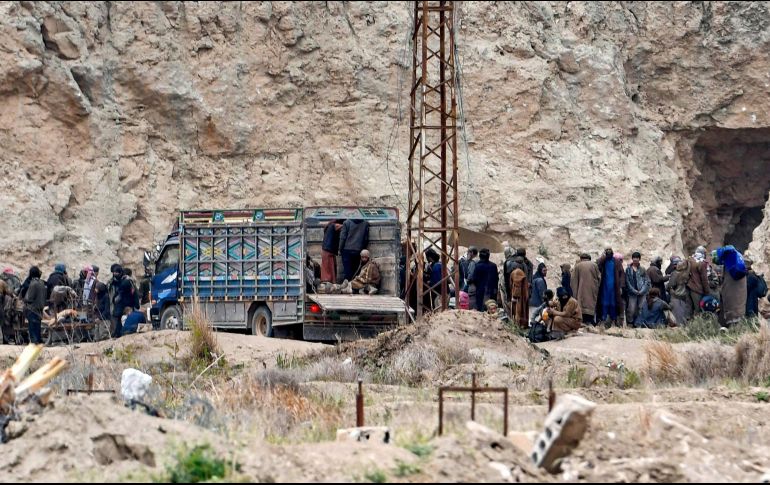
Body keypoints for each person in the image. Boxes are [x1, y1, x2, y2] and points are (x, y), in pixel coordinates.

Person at [714, 245, 747, 327]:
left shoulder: (730, 267)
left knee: (731, 309)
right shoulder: (738, 264)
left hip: (731, 307)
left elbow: (726, 289)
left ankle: (728, 329)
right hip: (740, 306)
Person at [597, 247, 623, 326]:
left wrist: (621, 286)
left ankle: (613, 321)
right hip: (604, 287)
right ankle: (603, 320)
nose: (608, 254)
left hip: (615, 288)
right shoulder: (603, 262)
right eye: (607, 253)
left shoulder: (617, 262)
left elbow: (621, 274)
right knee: (604, 303)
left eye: (609, 252)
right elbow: (598, 264)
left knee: (613, 303)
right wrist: (603, 256)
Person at [571, 253, 600, 325]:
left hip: (580, 291)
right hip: (592, 290)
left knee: (581, 306)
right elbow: (599, 278)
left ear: (581, 258)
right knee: (591, 305)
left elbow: (573, 281)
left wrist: (574, 293)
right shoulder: (594, 265)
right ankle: (590, 322)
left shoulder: (578, 266)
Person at [685, 246, 711, 317]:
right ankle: (697, 325)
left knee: (689, 308)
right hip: (697, 289)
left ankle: (687, 325)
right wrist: (707, 292)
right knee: (698, 310)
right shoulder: (702, 263)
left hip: (689, 287)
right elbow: (704, 279)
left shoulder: (690, 259)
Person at [625, 251, 650, 325]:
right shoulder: (628, 269)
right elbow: (627, 282)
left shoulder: (642, 269)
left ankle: (639, 323)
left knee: (641, 308)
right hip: (632, 293)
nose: (635, 260)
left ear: (639, 259)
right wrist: (634, 290)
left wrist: (642, 290)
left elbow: (646, 281)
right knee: (631, 309)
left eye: (637, 258)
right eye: (634, 258)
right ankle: (630, 322)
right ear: (632, 259)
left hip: (642, 293)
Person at [110, 265, 135, 338]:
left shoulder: (126, 282)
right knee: (119, 320)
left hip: (124, 304)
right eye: (114, 273)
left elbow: (121, 293)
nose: (115, 274)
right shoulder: (122, 281)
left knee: (123, 319)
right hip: (122, 304)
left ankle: (121, 333)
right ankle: (118, 333)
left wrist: (115, 300)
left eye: (116, 273)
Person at [23, 266, 46, 344]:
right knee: (38, 325)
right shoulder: (41, 282)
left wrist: (24, 300)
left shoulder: (33, 283)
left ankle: (34, 342)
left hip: (32, 308)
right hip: (40, 307)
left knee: (32, 326)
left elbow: (29, 298)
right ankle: (39, 340)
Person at [666, 258, 691, 325]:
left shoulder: (675, 274)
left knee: (676, 314)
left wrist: (668, 288)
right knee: (683, 313)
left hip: (675, 296)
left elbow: (671, 285)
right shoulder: (687, 274)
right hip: (684, 296)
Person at [321, 219, 343, 283]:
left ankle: (329, 281)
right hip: (329, 249)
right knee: (330, 267)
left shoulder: (329, 225)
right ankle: (328, 281)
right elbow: (344, 226)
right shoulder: (334, 225)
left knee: (328, 266)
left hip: (326, 248)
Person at [509, 263, 530, 328]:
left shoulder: (514, 273)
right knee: (522, 310)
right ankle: (522, 325)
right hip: (523, 295)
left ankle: (517, 325)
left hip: (516, 295)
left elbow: (513, 285)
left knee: (517, 310)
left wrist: (514, 295)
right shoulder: (521, 273)